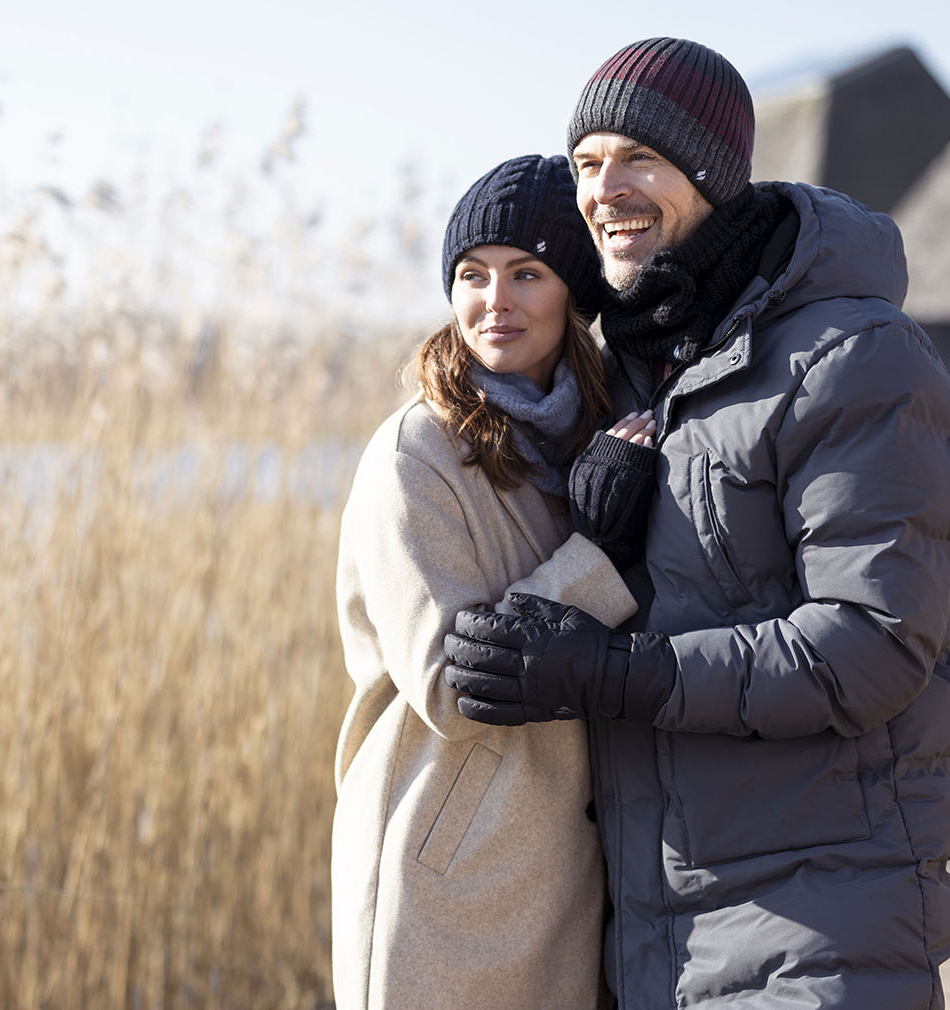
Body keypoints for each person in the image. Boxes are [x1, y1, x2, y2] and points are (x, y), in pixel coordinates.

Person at [444, 38, 950, 1010]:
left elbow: (872, 643)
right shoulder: (641, 371)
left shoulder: (855, 355)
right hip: (654, 932)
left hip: (818, 923)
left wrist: (610, 672)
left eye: (636, 158)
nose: (603, 189)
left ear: (710, 174)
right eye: (586, 163)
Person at [331, 153, 656, 1010]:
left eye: (527, 274)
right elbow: (446, 680)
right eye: (471, 275)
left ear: (574, 296)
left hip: (577, 864)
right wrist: (596, 550)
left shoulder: (600, 437)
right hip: (450, 861)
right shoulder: (418, 453)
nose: (494, 301)